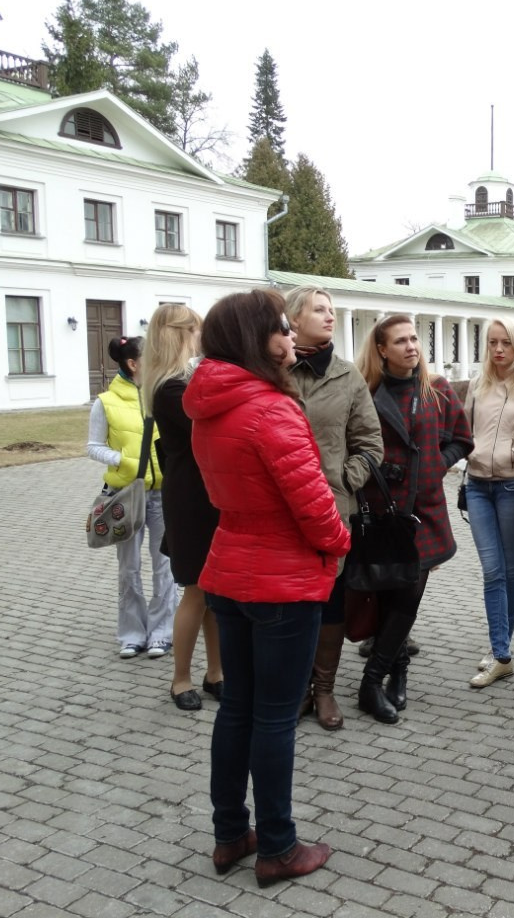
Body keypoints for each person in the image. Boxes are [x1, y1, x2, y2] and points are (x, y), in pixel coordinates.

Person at [184, 289, 350, 888]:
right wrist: (339, 544)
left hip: (231, 570)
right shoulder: (270, 410)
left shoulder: (210, 406)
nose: (291, 337)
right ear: (257, 339)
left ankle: (231, 834)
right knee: (274, 719)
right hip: (281, 581)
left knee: (237, 710)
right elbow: (314, 505)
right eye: (281, 328)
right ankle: (278, 846)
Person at [354, 315, 473, 723]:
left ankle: (372, 681)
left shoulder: (436, 388)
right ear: (382, 350)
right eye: (400, 341)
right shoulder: (367, 390)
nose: (411, 346)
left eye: (414, 339)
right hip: (383, 509)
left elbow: (462, 439)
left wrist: (435, 466)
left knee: (407, 597)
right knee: (388, 595)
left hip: (423, 511)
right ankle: (397, 673)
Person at [284, 287, 383, 732]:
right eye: (319, 310)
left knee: (330, 600)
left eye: (332, 310)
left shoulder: (346, 375)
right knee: (290, 600)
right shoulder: (271, 371)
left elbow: (370, 443)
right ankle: (296, 689)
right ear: (293, 319)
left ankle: (323, 689)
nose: (329, 316)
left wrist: (344, 478)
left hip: (331, 509)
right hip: (280, 510)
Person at [143, 305, 223, 711]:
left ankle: (216, 673)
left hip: (204, 494)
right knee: (197, 590)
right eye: (196, 330)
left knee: (213, 591)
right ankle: (181, 679)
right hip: (191, 499)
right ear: (179, 334)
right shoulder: (172, 388)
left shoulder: (181, 381)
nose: (201, 338)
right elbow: (209, 427)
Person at [87, 335, 179, 659]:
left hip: (163, 495)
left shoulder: (162, 395)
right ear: (133, 363)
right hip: (126, 496)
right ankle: (131, 634)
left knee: (164, 566)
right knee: (128, 568)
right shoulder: (105, 402)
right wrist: (123, 461)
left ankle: (162, 632)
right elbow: (93, 447)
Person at [464, 319, 514, 689]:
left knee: (511, 568)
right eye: (493, 342)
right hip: (477, 485)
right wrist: (471, 452)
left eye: (506, 343)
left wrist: (513, 454)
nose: (498, 349)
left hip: (513, 486)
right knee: (493, 570)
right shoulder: (478, 384)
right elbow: (464, 430)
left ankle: (500, 649)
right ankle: (501, 654)